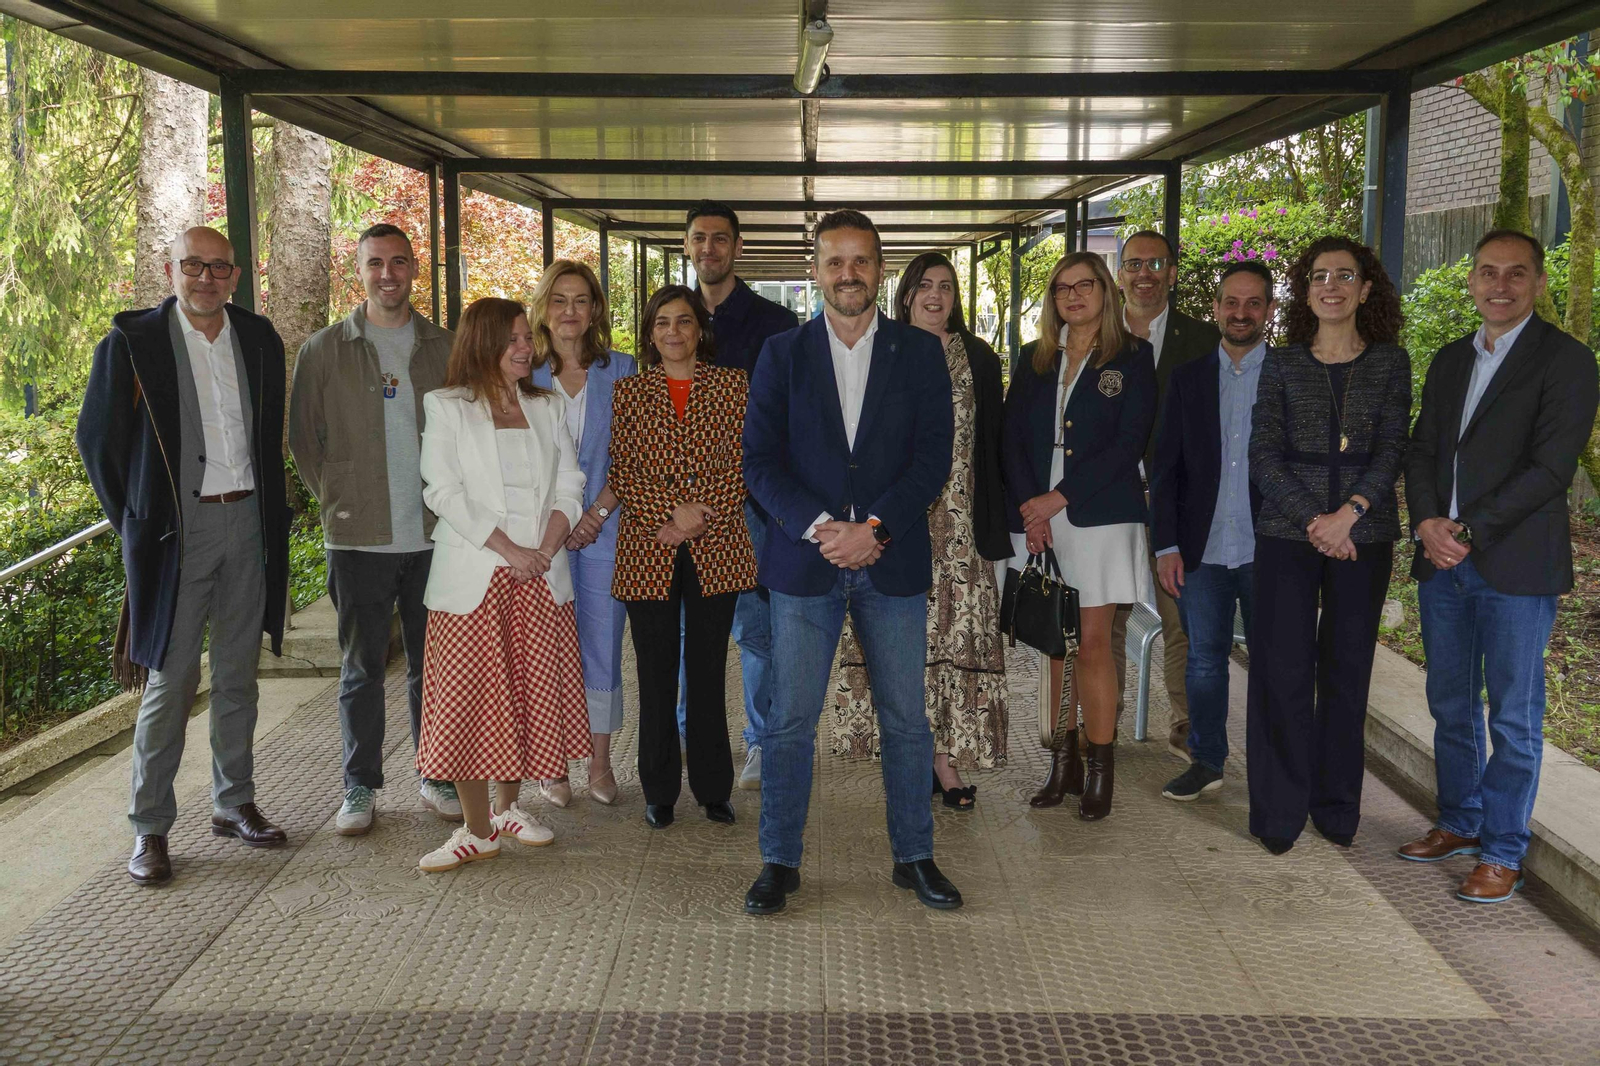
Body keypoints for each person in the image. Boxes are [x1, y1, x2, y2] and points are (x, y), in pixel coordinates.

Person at [742, 209, 958, 914]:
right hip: (805, 565)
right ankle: (779, 861)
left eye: (860, 260)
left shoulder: (918, 352)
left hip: (890, 562)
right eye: (834, 262)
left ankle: (914, 856)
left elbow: (932, 458)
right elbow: (759, 461)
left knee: (906, 721)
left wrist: (875, 529)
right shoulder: (781, 353)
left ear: (881, 268)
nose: (848, 274)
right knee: (789, 721)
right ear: (815, 271)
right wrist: (821, 529)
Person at [77, 226, 292, 885]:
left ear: (235, 276)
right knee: (170, 683)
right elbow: (98, 443)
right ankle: (150, 827)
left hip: (247, 525)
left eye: (219, 267)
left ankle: (234, 802)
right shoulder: (132, 342)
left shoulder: (258, 339)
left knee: (238, 675)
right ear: (171, 269)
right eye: (193, 265)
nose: (206, 278)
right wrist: (136, 521)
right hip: (176, 535)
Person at [1399, 229, 1599, 903]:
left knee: (1513, 716)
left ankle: (1504, 850)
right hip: (1442, 561)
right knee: (1449, 703)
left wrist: (1469, 530)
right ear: (1472, 282)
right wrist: (1427, 522)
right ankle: (1460, 822)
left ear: (1539, 282)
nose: (1501, 285)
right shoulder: (1452, 359)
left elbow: (1551, 467)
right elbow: (1422, 449)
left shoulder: (1566, 360)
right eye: (1488, 272)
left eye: (1516, 273)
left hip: (1515, 565)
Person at [289, 223, 460, 835]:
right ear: (358, 271)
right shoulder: (324, 350)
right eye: (375, 263)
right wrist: (343, 500)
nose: (388, 274)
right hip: (357, 539)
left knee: (432, 667)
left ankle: (436, 773)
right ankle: (358, 785)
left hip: (437, 537)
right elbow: (303, 442)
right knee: (361, 668)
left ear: (414, 268)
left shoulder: (446, 346)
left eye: (399, 262)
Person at [412, 298, 592, 872]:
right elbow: (442, 492)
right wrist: (511, 551)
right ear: (483, 342)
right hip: (475, 579)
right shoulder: (446, 406)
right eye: (512, 339)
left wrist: (544, 549)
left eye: (525, 338)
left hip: (538, 575)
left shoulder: (546, 406)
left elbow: (571, 482)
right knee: (467, 702)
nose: (525, 347)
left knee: (519, 696)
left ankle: (509, 808)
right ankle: (476, 829)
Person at [1245, 236, 1411, 856]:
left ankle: (1337, 807)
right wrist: (1317, 520)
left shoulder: (1391, 363)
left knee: (1347, 672)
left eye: (1344, 276)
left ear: (1365, 290)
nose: (1331, 286)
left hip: (1364, 535)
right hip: (1288, 534)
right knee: (1281, 671)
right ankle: (1278, 811)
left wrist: (1349, 515)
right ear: (1306, 290)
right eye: (1319, 276)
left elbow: (1393, 448)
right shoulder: (1282, 364)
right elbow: (1264, 454)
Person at [831, 251, 1010, 810]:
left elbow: (995, 443)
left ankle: (945, 763)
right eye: (925, 285)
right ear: (905, 294)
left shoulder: (978, 358)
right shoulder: (882, 351)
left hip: (961, 529)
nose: (936, 295)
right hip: (893, 523)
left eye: (947, 287)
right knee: (903, 643)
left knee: (955, 641)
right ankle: (908, 756)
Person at [1003, 252, 1157, 821]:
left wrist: (1059, 497)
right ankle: (1061, 764)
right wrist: (1033, 509)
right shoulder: (1034, 357)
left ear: (1105, 291)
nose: (1072, 296)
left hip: (1099, 516)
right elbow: (1011, 437)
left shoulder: (1133, 357)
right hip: (1039, 516)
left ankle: (1099, 770)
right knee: (1054, 643)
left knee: (1091, 645)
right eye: (1061, 288)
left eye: (1084, 285)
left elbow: (1128, 444)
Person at [608, 284, 756, 829]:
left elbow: (744, 462)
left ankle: (714, 788)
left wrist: (696, 518)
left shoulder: (732, 386)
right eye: (663, 322)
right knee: (655, 672)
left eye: (684, 321)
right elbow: (623, 470)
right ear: (650, 334)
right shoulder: (629, 392)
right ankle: (659, 789)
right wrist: (670, 516)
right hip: (649, 548)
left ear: (700, 330)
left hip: (717, 546)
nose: (674, 331)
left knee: (708, 670)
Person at [680, 201, 800, 790]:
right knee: (689, 630)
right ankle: (689, 737)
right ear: (687, 246)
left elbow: (788, 417)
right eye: (700, 238)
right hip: (684, 504)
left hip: (751, 505)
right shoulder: (671, 316)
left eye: (720, 239)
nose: (710, 248)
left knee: (756, 631)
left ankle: (761, 742)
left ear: (737, 247)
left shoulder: (776, 324)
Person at [1149, 261, 1275, 802]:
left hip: (1272, 548)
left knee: (1274, 662)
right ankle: (1206, 761)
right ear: (1217, 308)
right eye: (1231, 302)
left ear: (1269, 310)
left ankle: (1275, 768)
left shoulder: (1290, 375)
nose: (1241, 313)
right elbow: (1166, 469)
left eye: (1253, 303)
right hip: (1201, 550)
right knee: (1204, 660)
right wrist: (1166, 545)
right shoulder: (1188, 378)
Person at [528, 259, 637, 808]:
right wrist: (561, 522)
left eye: (580, 300)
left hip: (606, 530)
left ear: (595, 310)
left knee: (601, 644)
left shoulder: (622, 369)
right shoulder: (523, 372)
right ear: (543, 308)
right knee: (545, 647)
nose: (570, 310)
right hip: (539, 534)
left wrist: (594, 514)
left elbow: (637, 451)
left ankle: (599, 761)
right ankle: (551, 766)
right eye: (559, 299)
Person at [1109, 230, 1221, 761]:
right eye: (1134, 264)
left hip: (1176, 504)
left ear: (1172, 273)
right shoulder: (1095, 334)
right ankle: (1102, 720)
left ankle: (1185, 722)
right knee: (1106, 618)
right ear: (1119, 274)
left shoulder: (1202, 339)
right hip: (1108, 502)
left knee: (1183, 620)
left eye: (1155, 264)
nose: (1144, 275)